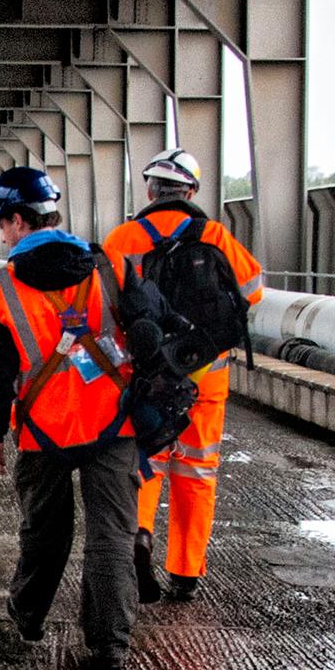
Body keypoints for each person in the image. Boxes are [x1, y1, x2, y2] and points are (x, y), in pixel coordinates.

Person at [0, 166, 143, 670]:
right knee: (112, 534)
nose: (2, 233)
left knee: (45, 531)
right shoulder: (109, 267)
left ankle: (27, 616)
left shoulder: (1, 289)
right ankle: (109, 644)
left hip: (44, 432)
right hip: (115, 426)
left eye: (2, 223)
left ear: (20, 221)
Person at [100, 146, 265, 602]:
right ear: (191, 190)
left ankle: (140, 534)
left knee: (146, 459)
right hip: (205, 373)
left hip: (145, 372)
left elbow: (105, 307)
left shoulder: (124, 238)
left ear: (151, 189)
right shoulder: (214, 235)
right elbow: (252, 291)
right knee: (197, 470)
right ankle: (187, 571)